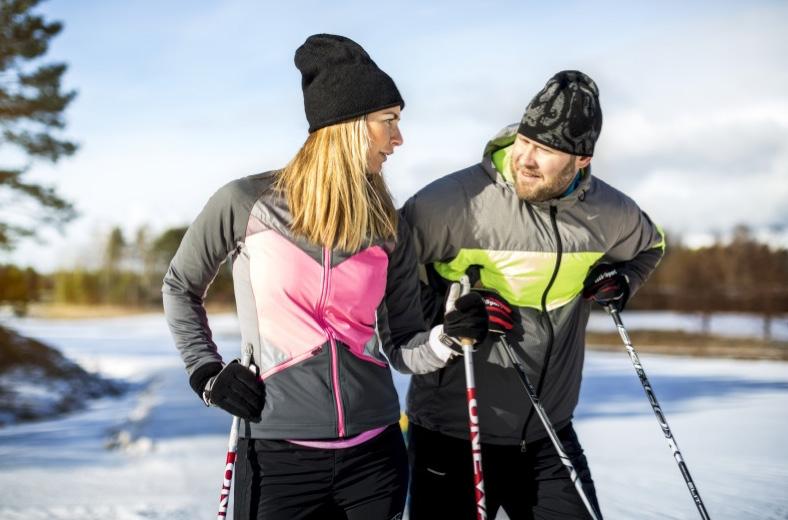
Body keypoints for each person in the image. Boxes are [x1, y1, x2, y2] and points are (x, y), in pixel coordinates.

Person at [162, 34, 489, 520]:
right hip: (276, 455)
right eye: (389, 120)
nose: (399, 138)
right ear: (349, 125)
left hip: (375, 458)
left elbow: (401, 345)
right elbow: (179, 287)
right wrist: (207, 373)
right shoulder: (245, 202)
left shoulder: (387, 224)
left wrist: (446, 339)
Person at [399, 70, 666, 519]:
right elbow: (387, 282)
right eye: (525, 139)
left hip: (550, 432)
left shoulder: (612, 213)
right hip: (452, 434)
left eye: (546, 150)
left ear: (582, 160)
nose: (526, 157)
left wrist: (622, 282)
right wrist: (452, 318)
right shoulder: (450, 203)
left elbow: (650, 246)